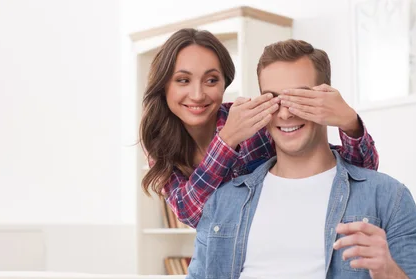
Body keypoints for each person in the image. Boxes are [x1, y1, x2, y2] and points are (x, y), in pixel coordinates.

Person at [153, 40, 416, 279]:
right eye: (275, 100)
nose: (287, 113)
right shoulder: (224, 201)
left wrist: (389, 275)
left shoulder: (386, 196)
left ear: (324, 101)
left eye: (301, 98)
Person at [139, 28, 379, 228]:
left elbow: (358, 170)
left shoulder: (255, 118)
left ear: (225, 83)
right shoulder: (158, 144)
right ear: (164, 85)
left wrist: (350, 123)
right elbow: (191, 214)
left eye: (212, 80)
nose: (198, 94)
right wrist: (227, 141)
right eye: (183, 80)